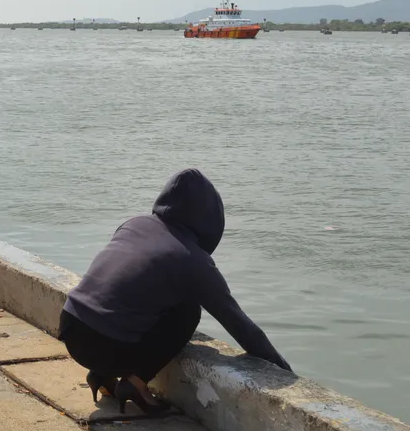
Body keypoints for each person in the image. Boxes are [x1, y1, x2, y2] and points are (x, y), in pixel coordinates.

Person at [59, 168, 292, 414]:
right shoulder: (193, 260)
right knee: (187, 311)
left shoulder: (134, 224)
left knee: (136, 300)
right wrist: (284, 372)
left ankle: (101, 374)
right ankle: (135, 383)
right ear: (210, 218)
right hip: (106, 347)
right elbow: (241, 327)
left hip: (71, 327)